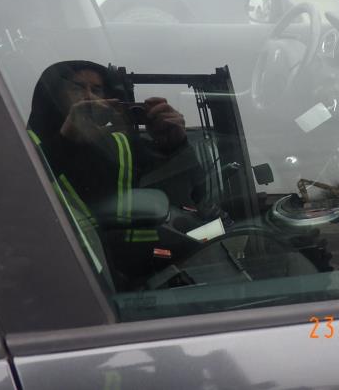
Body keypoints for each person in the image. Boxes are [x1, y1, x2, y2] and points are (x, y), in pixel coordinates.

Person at [27, 60, 208, 285]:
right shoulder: (26, 145)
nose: (89, 97)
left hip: (147, 275)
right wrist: (66, 142)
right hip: (58, 273)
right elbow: (19, 199)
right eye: (77, 88)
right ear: (52, 96)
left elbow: (197, 196)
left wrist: (176, 147)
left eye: (97, 90)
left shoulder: (123, 144)